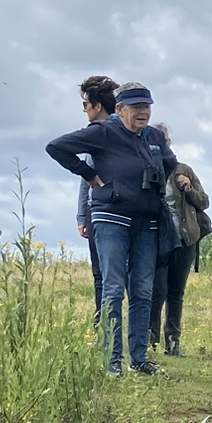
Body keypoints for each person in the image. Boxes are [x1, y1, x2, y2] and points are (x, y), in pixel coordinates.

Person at [47, 81, 178, 375]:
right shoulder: (104, 132)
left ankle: (140, 359)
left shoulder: (154, 136)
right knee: (114, 289)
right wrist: (91, 176)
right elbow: (56, 147)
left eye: (147, 106)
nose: (143, 112)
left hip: (148, 222)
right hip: (111, 218)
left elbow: (170, 162)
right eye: (136, 107)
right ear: (119, 109)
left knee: (143, 290)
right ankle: (112, 360)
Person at [155, 124, 210, 357]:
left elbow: (204, 202)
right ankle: (150, 342)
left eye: (165, 140)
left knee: (176, 292)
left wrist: (188, 188)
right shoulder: (147, 167)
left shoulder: (184, 169)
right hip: (157, 240)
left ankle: (173, 343)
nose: (162, 144)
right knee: (156, 291)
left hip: (185, 238)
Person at [72, 75, 118, 324]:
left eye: (86, 105)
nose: (85, 110)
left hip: (108, 210)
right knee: (101, 274)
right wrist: (82, 215)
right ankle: (102, 321)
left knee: (103, 274)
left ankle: (106, 323)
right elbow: (85, 178)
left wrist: (83, 214)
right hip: (95, 208)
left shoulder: (114, 133)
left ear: (98, 106)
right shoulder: (95, 137)